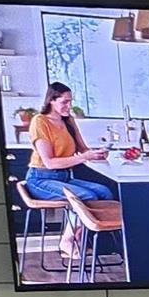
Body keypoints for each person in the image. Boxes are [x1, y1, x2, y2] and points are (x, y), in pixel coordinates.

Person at [21, 83, 111, 266]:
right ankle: (66, 241)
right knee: (85, 195)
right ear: (51, 100)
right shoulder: (40, 121)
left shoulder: (68, 121)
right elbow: (50, 162)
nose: (69, 106)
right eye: (64, 102)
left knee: (104, 192)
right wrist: (85, 157)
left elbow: (83, 150)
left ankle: (83, 238)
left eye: (70, 101)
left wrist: (97, 154)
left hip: (64, 177)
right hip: (40, 178)